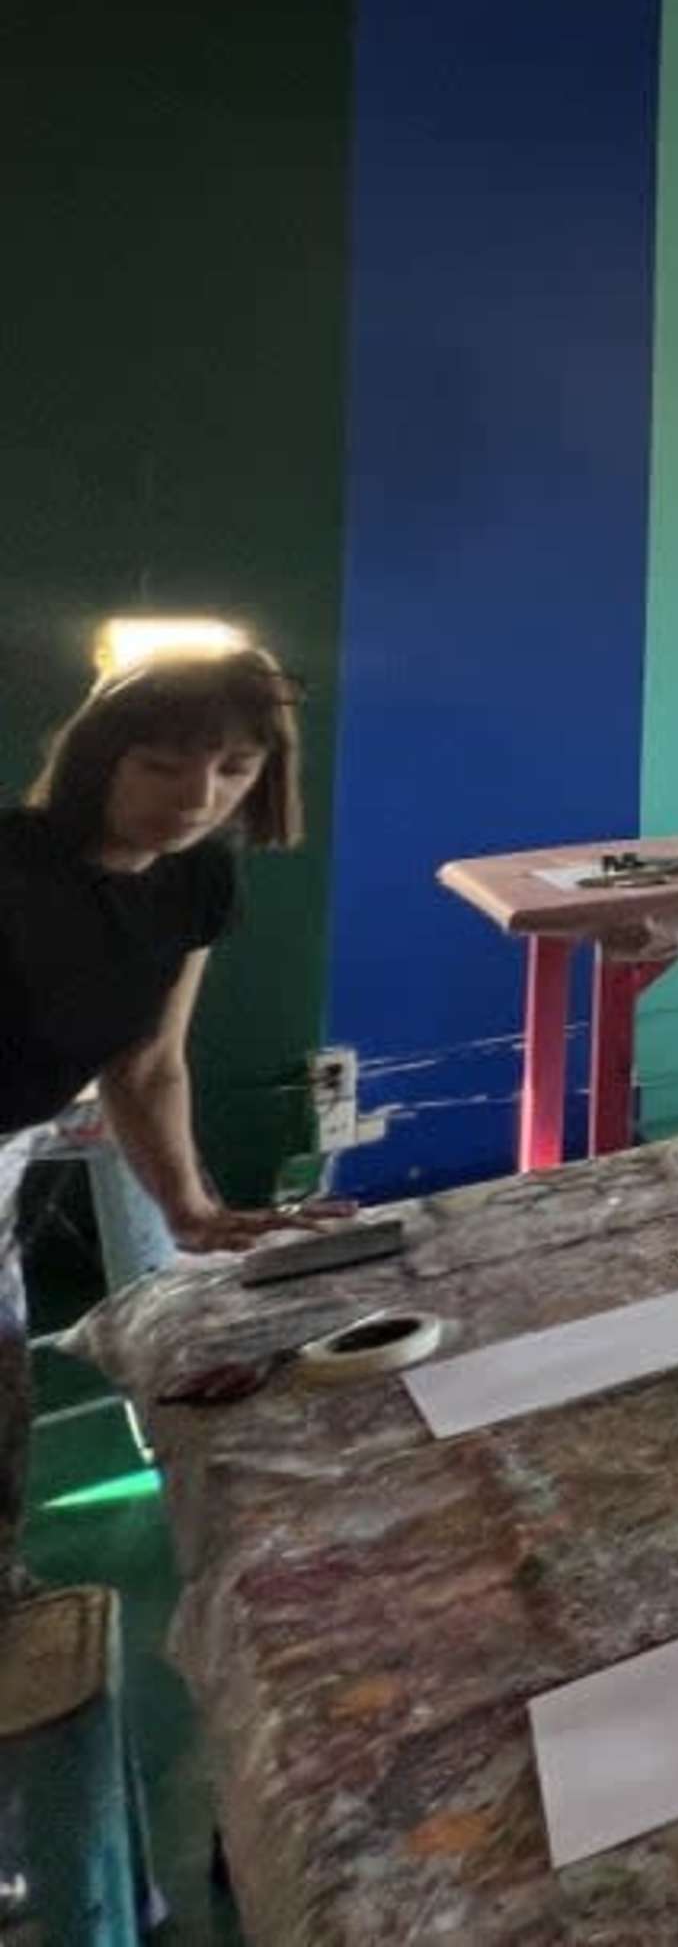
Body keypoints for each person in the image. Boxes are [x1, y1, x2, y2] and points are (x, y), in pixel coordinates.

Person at [1, 644, 339, 1589]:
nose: (198, 798)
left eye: (234, 769)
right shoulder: (13, 865)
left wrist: (189, 1207)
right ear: (98, 761)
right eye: (161, 765)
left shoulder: (198, 879)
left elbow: (147, 1063)